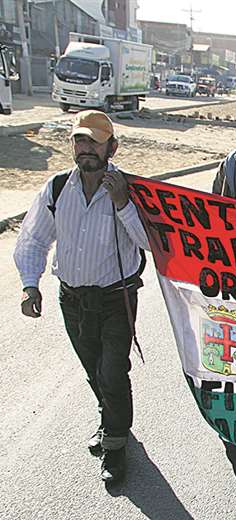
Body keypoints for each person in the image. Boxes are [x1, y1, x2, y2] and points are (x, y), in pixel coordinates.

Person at [13, 110, 150, 484]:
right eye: (79, 140)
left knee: (112, 372)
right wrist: (30, 283)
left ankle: (116, 447)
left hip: (115, 300)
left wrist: (122, 203)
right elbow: (33, 238)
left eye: (94, 140)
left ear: (112, 146)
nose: (86, 148)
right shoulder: (57, 188)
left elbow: (149, 243)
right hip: (72, 301)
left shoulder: (129, 190)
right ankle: (110, 423)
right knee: (93, 371)